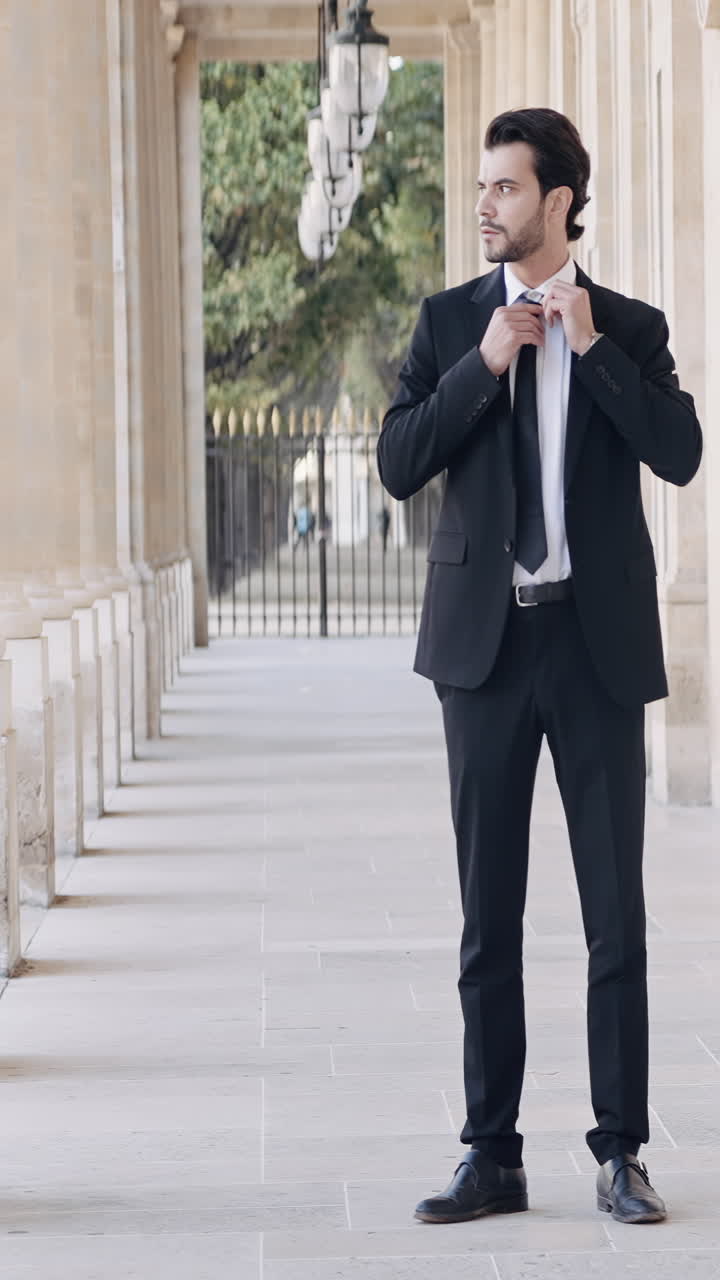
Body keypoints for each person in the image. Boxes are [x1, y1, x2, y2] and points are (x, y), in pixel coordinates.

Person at [377, 108, 702, 1228]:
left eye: (505, 190)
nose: (485, 206)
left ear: (559, 199)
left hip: (595, 644)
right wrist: (487, 362)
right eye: (482, 189)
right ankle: (491, 1152)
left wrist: (590, 347)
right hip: (485, 649)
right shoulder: (448, 323)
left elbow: (680, 451)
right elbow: (398, 460)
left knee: (616, 915)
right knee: (488, 919)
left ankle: (621, 1153)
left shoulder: (634, 327)